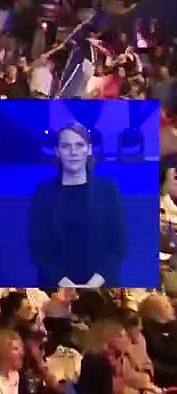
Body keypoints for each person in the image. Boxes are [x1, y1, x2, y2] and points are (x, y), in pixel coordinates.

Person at [28, 123, 127, 287]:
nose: (73, 152)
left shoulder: (108, 189)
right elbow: (38, 247)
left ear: (88, 150)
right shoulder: (44, 191)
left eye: (79, 145)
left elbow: (118, 244)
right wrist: (64, 284)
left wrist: (94, 284)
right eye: (66, 146)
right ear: (57, 151)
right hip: (55, 286)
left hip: (101, 286)